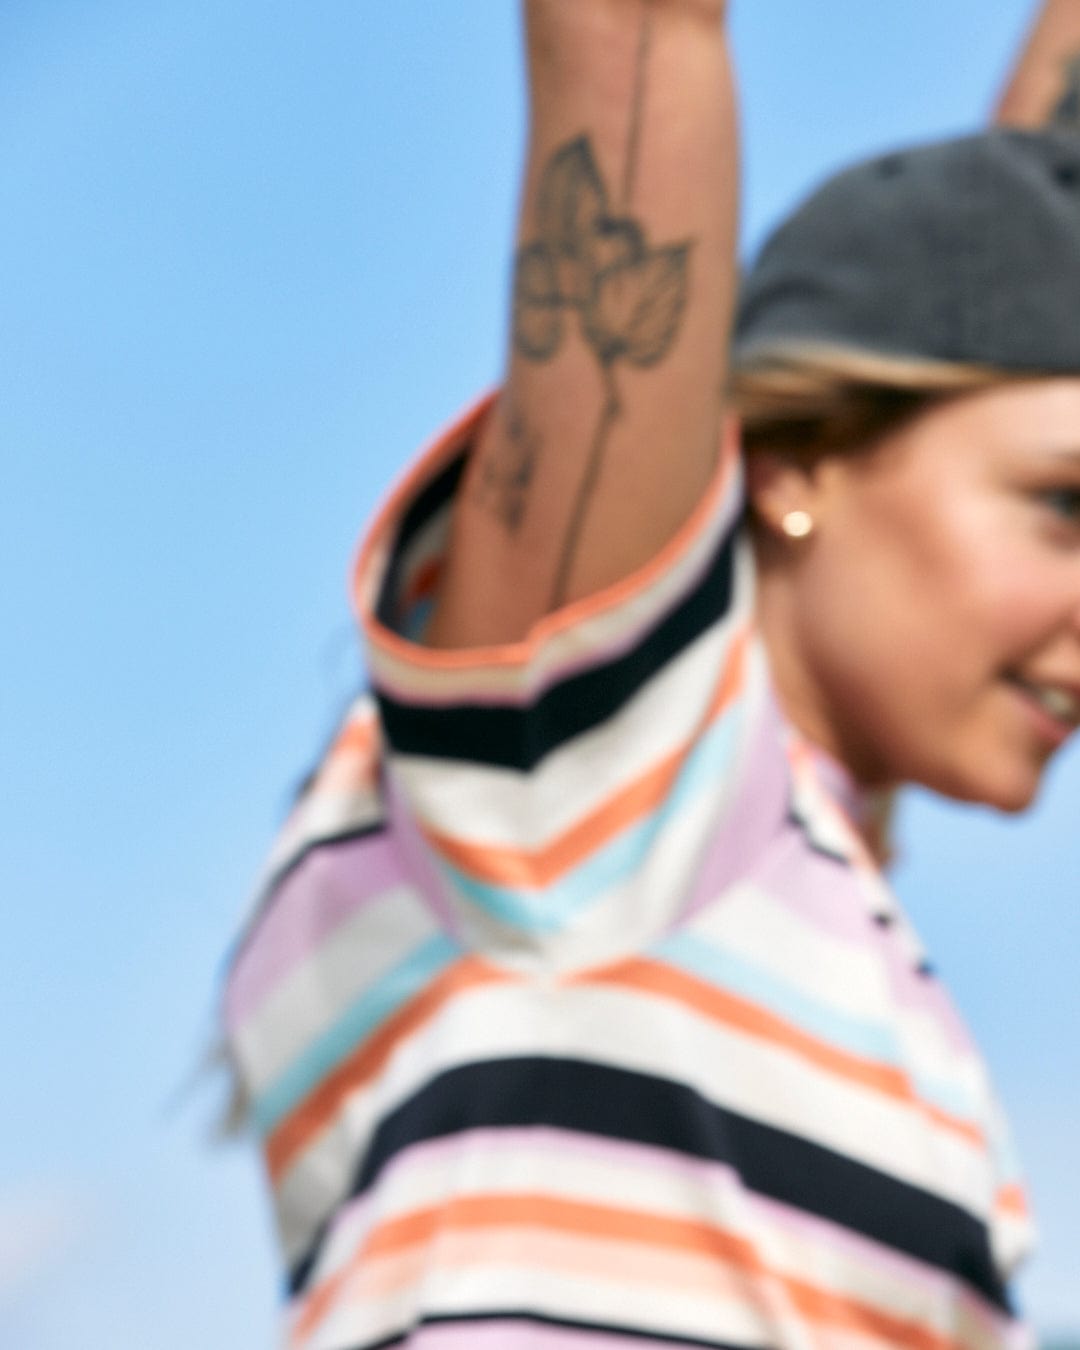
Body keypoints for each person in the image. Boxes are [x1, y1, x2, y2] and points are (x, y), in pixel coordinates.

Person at [222, 3, 1080, 1346]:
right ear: (797, 467)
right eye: (1063, 508)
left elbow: (1003, 237)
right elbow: (633, 30)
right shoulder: (610, 783)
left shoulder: (805, 923)